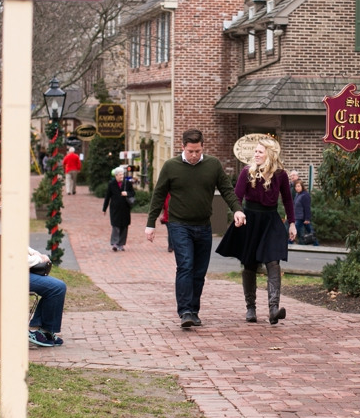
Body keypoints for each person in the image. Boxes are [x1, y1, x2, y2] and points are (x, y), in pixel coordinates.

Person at [145, 129, 245, 329]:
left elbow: (227, 189)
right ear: (183, 147)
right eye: (191, 151)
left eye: (198, 151)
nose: (194, 155)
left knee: (199, 271)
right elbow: (158, 195)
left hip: (203, 225)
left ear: (202, 147)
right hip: (179, 224)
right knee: (186, 266)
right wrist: (150, 223)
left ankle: (194, 310)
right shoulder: (171, 166)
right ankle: (185, 312)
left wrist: (237, 210)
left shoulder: (212, 165)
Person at [216, 137, 296, 325]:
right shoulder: (247, 172)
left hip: (271, 221)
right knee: (249, 264)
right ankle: (250, 308)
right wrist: (237, 212)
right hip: (250, 220)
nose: (256, 154)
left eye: (260, 151)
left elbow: (287, 200)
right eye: (256, 151)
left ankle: (273, 309)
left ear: (270, 154)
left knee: (273, 262)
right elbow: (237, 196)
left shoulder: (280, 175)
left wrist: (292, 223)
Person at [0, 185, 66, 347]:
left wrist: (36, 254)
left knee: (56, 287)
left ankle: (43, 330)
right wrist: (38, 260)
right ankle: (41, 330)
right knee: (57, 288)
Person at [103, 165, 135, 251]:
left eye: (122, 174)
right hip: (115, 208)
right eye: (120, 175)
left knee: (124, 226)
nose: (122, 176)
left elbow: (133, 193)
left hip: (125, 208)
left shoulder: (127, 183)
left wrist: (127, 193)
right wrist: (104, 208)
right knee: (115, 225)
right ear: (116, 175)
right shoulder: (111, 184)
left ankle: (121, 244)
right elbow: (107, 197)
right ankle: (115, 243)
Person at [293, 179, 319, 246]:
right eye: (296, 186)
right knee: (310, 231)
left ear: (302, 186)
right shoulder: (297, 195)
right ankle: (316, 244)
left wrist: (307, 219)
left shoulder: (305, 195)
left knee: (294, 230)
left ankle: (289, 243)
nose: (297, 188)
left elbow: (307, 208)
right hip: (298, 216)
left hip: (302, 217)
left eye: (298, 186)